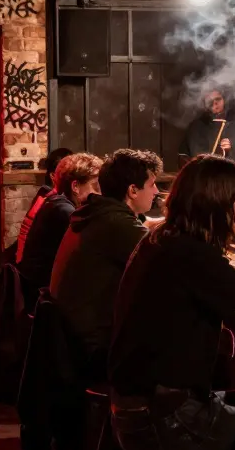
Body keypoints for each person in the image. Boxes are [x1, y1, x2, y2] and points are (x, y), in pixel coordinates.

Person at [107, 155, 235, 450]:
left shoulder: (163, 239)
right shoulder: (190, 254)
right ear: (218, 205)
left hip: (135, 410)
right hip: (167, 423)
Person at [50, 148, 163, 382]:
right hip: (96, 351)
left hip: (72, 346)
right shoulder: (115, 223)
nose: (157, 191)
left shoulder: (98, 212)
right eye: (152, 184)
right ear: (132, 190)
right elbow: (170, 265)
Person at [16, 152, 103, 296]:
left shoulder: (56, 203)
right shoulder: (63, 211)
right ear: (75, 186)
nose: (100, 193)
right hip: (43, 300)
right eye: (95, 186)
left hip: (41, 293)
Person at [14, 147, 74, 259]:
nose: (73, 178)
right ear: (53, 176)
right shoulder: (54, 203)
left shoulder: (44, 194)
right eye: (69, 173)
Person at [179, 88, 235, 161]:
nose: (214, 103)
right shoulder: (197, 126)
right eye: (210, 101)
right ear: (204, 103)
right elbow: (193, 154)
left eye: (218, 99)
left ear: (224, 100)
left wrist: (229, 150)